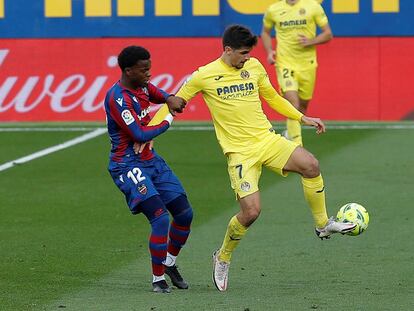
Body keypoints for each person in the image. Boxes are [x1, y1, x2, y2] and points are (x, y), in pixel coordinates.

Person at [151, 24, 355, 292]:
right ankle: (222, 256)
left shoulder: (255, 67)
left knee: (311, 164)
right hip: (240, 153)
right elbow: (173, 103)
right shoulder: (204, 75)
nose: (247, 57)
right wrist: (149, 134)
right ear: (227, 50)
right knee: (251, 212)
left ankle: (322, 224)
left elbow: (272, 97)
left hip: (267, 140)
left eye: (249, 53)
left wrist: (302, 117)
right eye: (243, 53)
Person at [103, 46, 193, 293]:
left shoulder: (142, 86)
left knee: (184, 214)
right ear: (128, 70)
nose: (149, 74)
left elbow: (157, 93)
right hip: (126, 165)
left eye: (150, 69)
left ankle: (169, 263)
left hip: (150, 160)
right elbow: (139, 133)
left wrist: (169, 97)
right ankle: (157, 280)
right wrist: (167, 120)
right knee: (160, 217)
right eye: (144, 70)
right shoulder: (117, 98)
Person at [261, 0, 332, 146]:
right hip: (285, 63)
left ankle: (289, 133)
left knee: (302, 107)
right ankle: (297, 144)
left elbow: (328, 34)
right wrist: (269, 52)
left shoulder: (313, 6)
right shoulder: (273, 9)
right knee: (293, 102)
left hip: (307, 64)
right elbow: (265, 33)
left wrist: (311, 41)